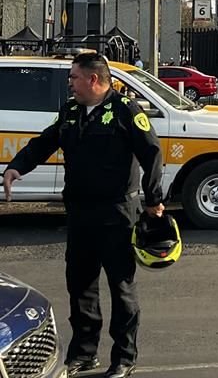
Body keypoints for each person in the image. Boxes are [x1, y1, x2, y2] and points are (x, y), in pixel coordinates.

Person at [2, 52, 164, 378]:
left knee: (122, 290)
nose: (70, 83)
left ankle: (124, 357)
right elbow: (45, 142)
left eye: (74, 77)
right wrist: (17, 167)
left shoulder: (126, 111)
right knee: (80, 287)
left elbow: (153, 154)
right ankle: (84, 353)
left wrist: (153, 201)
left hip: (118, 214)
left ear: (93, 79)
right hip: (80, 214)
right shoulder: (72, 111)